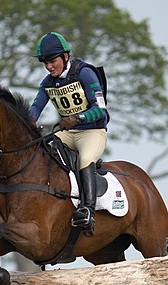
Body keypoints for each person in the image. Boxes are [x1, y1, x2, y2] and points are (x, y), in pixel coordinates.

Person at [29, 32, 110, 236]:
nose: (49, 67)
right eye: (45, 63)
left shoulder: (85, 74)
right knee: (43, 150)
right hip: (67, 133)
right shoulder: (48, 82)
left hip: (92, 132)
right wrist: (27, 123)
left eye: (52, 61)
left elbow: (102, 110)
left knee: (85, 159)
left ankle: (87, 211)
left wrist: (78, 119)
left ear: (65, 57)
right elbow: (36, 108)